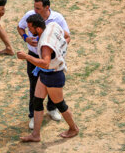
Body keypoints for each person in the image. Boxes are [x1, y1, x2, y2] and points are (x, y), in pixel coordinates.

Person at [17, 14, 79, 142]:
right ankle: (36, 135)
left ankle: (73, 128)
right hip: (47, 73)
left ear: (38, 29)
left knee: (60, 105)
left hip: (53, 76)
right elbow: (67, 37)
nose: (29, 31)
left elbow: (45, 63)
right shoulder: (53, 25)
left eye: (30, 28)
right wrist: (61, 48)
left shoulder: (45, 44)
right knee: (37, 101)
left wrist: (27, 57)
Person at [17, 0, 71, 129]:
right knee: (35, 88)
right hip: (35, 56)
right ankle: (33, 117)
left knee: (55, 93)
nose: (34, 10)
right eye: (34, 7)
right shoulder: (32, 16)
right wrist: (26, 38)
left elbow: (67, 36)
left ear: (47, 7)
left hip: (48, 61)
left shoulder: (57, 19)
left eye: (38, 8)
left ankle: (53, 110)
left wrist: (57, 49)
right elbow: (20, 27)